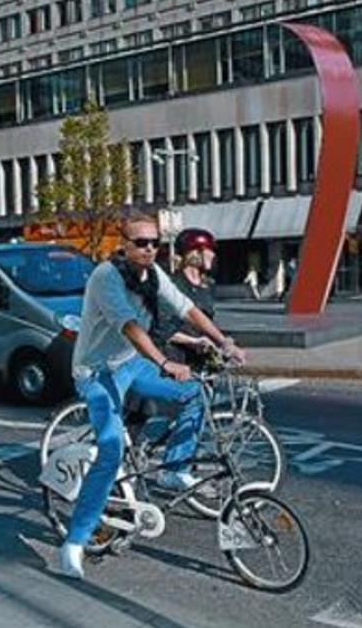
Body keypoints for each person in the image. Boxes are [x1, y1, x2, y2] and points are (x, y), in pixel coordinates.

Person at [58, 211, 246, 580]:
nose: (149, 249)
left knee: (195, 393)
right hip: (97, 373)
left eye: (154, 243)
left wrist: (225, 342)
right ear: (124, 245)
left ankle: (174, 469)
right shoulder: (105, 277)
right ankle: (74, 542)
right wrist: (163, 362)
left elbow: (187, 308)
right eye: (140, 243)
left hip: (130, 365)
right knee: (111, 451)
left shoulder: (153, 274)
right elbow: (128, 326)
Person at [152, 228, 220, 369]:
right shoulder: (173, 286)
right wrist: (193, 341)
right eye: (210, 250)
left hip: (202, 360)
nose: (213, 255)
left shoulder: (208, 285)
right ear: (196, 253)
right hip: (176, 359)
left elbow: (207, 323)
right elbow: (159, 330)